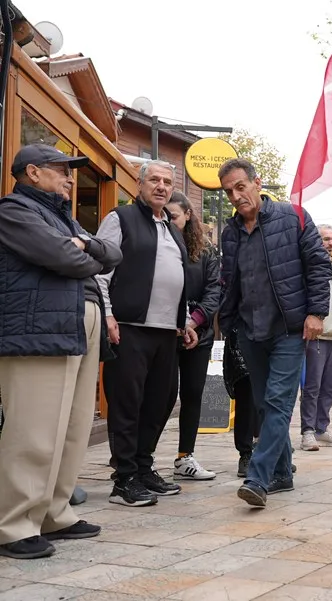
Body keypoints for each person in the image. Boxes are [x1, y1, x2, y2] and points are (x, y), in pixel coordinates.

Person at [0, 145, 122, 559]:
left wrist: (84, 247)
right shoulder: (14, 211)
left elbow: (112, 255)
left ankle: (54, 511)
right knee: (33, 429)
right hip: (38, 328)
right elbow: (64, 258)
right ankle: (13, 524)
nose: (71, 178)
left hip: (74, 320)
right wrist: (83, 251)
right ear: (32, 172)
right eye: (62, 170)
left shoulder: (64, 217)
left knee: (72, 426)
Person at [218, 158, 332, 508]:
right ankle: (283, 473)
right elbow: (230, 281)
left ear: (257, 182)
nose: (236, 196)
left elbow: (317, 264)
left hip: (289, 327)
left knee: (279, 402)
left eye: (241, 186)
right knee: (264, 404)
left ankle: (258, 477)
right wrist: (227, 320)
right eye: (229, 192)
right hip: (251, 330)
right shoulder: (230, 232)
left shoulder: (293, 217)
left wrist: (316, 312)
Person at [96, 160, 197, 507]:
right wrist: (107, 315)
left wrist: (183, 321)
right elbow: (99, 272)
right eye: (154, 179)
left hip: (166, 332)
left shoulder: (171, 228)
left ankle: (142, 467)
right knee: (127, 404)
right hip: (129, 328)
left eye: (167, 182)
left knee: (160, 403)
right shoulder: (120, 219)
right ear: (139, 185)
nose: (161, 186)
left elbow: (176, 280)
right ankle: (123, 479)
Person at [165, 192, 220, 480]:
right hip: (163, 332)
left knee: (192, 395)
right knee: (159, 396)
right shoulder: (157, 246)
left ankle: (184, 456)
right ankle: (141, 457)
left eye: (173, 215)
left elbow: (214, 292)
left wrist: (192, 323)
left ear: (187, 215)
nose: (169, 221)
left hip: (198, 333)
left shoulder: (206, 252)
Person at [300, 224, 332, 451]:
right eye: (326, 239)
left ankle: (321, 427)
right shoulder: (307, 265)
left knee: (331, 387)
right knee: (312, 386)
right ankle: (308, 432)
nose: (331, 243)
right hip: (318, 335)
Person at [223, 326, 258, 477]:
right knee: (246, 397)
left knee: (274, 399)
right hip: (242, 332)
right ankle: (245, 454)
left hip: (273, 333)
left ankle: (275, 453)